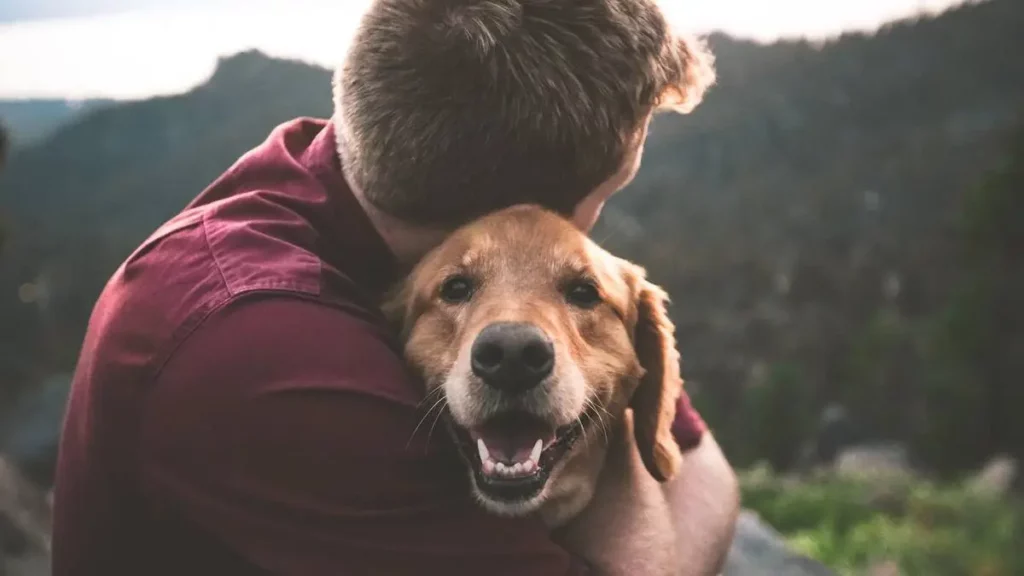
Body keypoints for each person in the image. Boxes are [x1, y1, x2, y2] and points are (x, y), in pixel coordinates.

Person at [52, 1, 739, 574]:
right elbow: (691, 487)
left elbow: (702, 463)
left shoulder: (357, 179)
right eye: (610, 189)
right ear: (522, 210)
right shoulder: (261, 351)